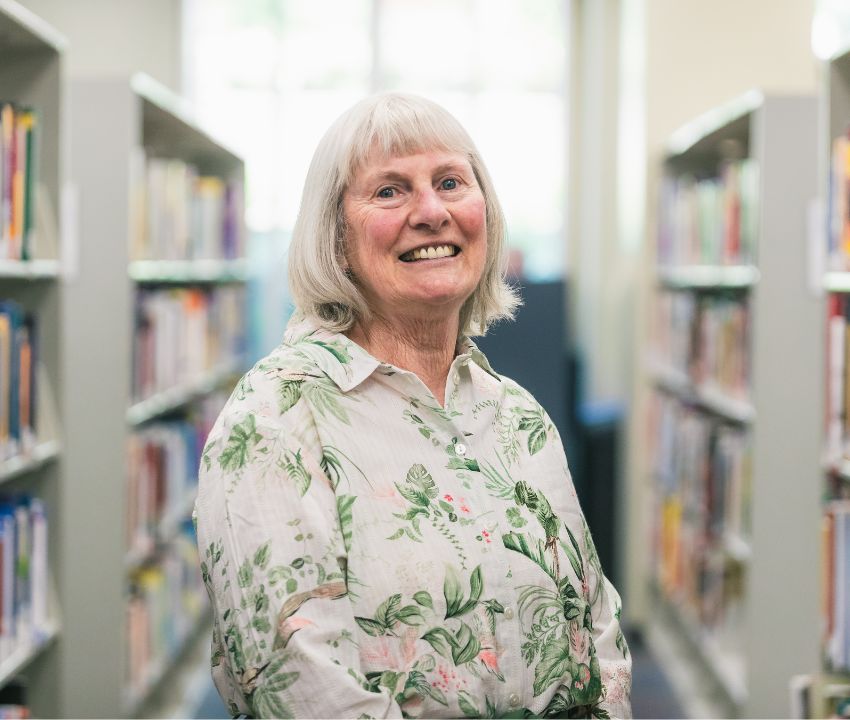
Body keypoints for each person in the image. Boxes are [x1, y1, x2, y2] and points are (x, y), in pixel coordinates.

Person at [194, 93, 632, 719]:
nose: (432, 212)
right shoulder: (274, 423)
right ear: (336, 238)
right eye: (390, 191)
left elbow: (598, 628)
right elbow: (302, 686)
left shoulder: (518, 417)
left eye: (451, 182)